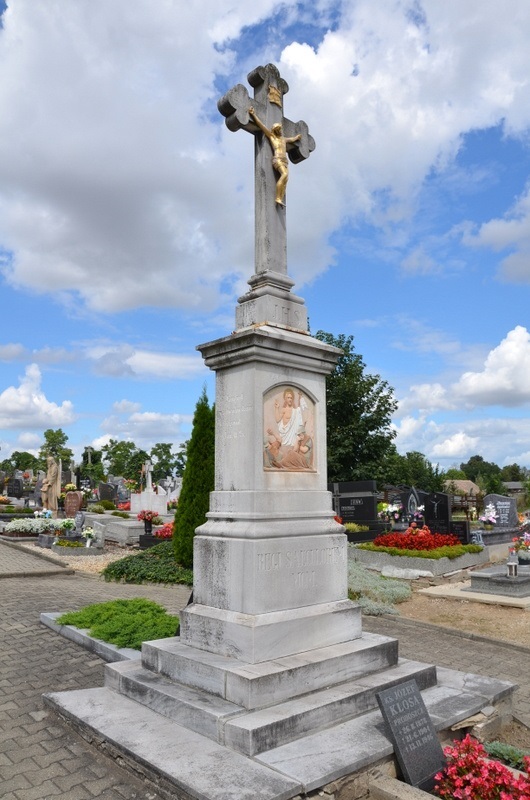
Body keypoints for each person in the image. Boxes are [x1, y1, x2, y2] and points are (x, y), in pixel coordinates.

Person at [248, 106, 301, 205]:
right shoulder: (272, 137)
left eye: (280, 129)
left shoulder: (284, 139)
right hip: (278, 159)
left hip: (285, 161)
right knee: (284, 175)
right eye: (278, 129)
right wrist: (253, 114)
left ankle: (280, 197)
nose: (280, 131)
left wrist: (297, 137)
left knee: (286, 179)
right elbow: (262, 126)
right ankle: (277, 198)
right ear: (275, 130)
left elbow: (292, 139)